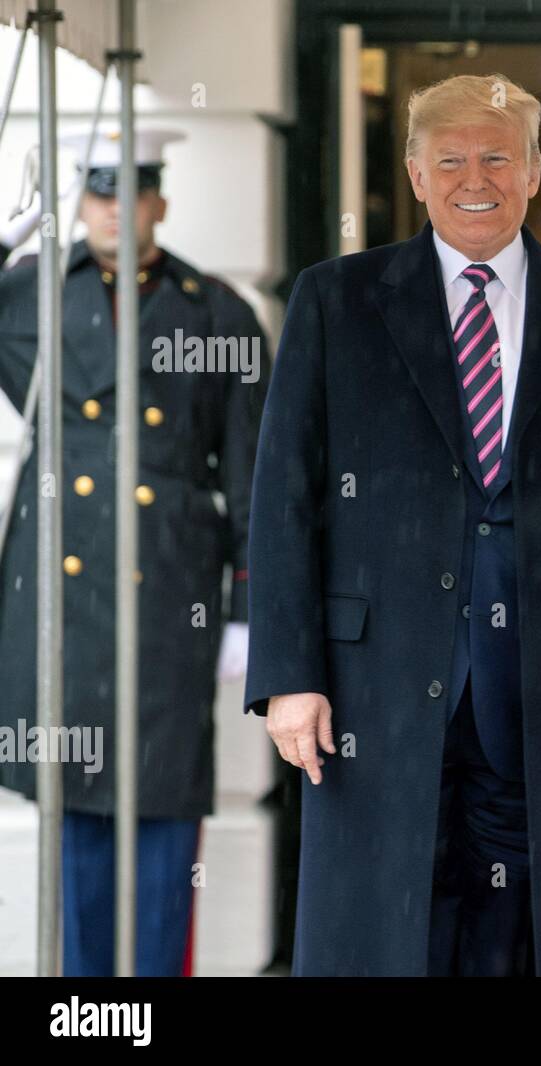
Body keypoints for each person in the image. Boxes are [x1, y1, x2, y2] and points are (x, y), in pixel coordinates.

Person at [243, 73, 541, 976]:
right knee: (380, 937)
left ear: (534, 171)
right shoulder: (336, 301)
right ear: (413, 173)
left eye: (496, 156)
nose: (473, 178)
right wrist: (288, 676)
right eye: (449, 159)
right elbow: (283, 494)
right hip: (372, 692)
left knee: (526, 942)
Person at [0, 128, 267, 975]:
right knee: (73, 810)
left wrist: (245, 608)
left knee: (163, 810)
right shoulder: (28, 295)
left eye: (134, 192)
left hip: (170, 591)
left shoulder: (217, 312)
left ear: (161, 200)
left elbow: (255, 473)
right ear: (82, 203)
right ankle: (83, 1008)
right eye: (101, 194)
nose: (117, 211)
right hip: (63, 592)